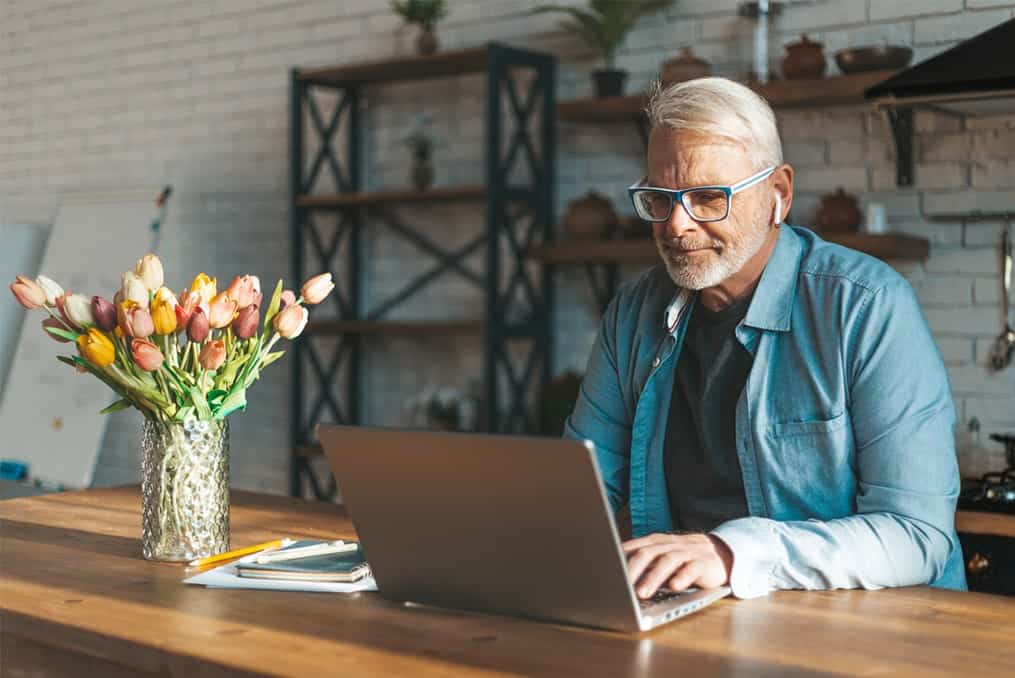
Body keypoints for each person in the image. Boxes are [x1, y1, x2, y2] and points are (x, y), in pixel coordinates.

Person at [564, 77, 967, 600]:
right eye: (660, 199)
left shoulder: (867, 306)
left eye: (709, 198)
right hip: (700, 618)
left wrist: (731, 555)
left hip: (874, 636)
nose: (677, 225)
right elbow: (581, 494)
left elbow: (918, 535)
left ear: (778, 194)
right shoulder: (632, 315)